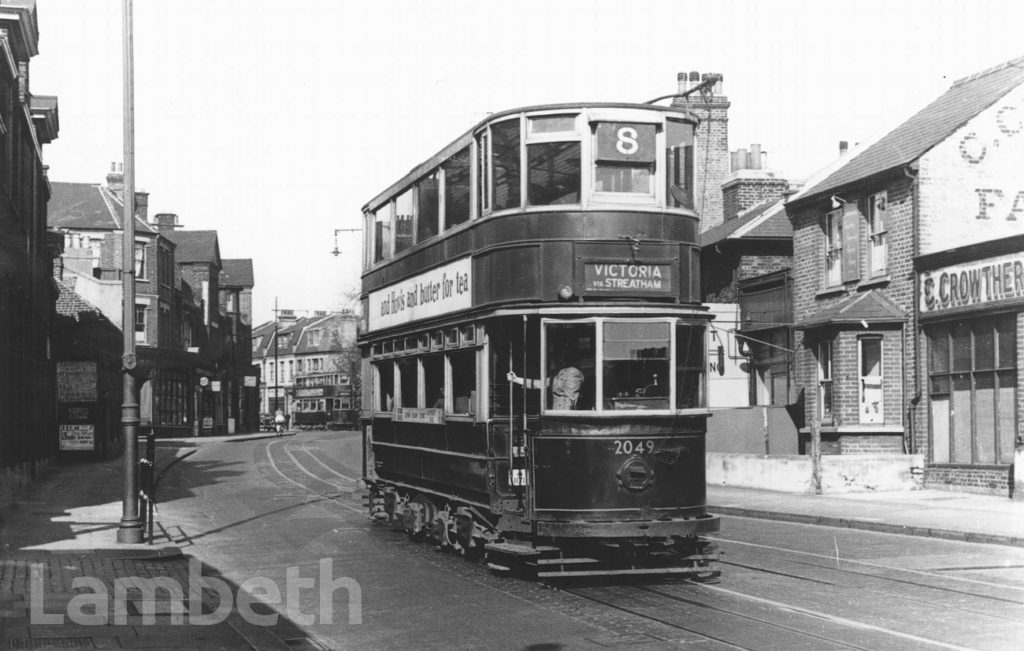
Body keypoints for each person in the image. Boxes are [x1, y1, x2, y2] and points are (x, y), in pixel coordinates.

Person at [507, 363, 584, 410]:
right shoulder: (560, 373)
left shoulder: (572, 372)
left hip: (562, 421)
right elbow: (540, 383)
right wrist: (516, 379)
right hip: (556, 416)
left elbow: (570, 400)